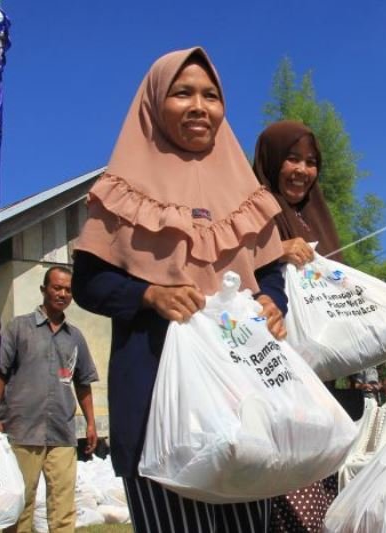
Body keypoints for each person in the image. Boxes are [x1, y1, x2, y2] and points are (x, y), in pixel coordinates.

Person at [71, 47, 287, 531]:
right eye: (182, 93)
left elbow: (270, 269)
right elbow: (88, 281)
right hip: (157, 400)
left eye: (210, 95)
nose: (198, 106)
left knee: (248, 519)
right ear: (153, 102)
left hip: (241, 395)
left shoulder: (245, 191)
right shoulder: (122, 187)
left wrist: (275, 302)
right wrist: (149, 296)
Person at [253, 119, 358, 533]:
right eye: (292, 159)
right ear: (271, 160)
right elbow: (225, 262)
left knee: (319, 484)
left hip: (319, 380)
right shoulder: (252, 209)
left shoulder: (317, 217)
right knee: (283, 491)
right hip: (273, 375)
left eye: (312, 162)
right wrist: (276, 249)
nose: (302, 170)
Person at [0, 266, 98, 533]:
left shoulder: (75, 336)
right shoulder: (18, 328)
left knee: (63, 506)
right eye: (57, 287)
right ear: (44, 290)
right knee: (21, 502)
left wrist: (90, 423)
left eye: (68, 290)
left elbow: (83, 381)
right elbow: (1, 373)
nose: (62, 293)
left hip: (62, 432)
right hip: (22, 430)